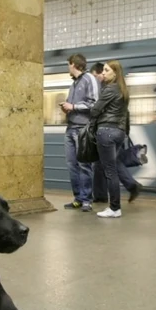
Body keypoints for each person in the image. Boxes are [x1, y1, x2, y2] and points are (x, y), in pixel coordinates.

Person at [90, 60, 141, 218]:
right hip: (118, 132)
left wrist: (96, 112)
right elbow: (126, 115)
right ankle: (130, 187)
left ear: (115, 73)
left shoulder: (110, 89)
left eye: (106, 70)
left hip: (106, 131)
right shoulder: (122, 90)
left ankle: (114, 208)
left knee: (110, 172)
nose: (103, 73)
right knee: (114, 165)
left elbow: (95, 110)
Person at [61, 53, 99, 211]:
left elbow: (94, 103)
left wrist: (74, 107)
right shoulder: (73, 84)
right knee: (72, 165)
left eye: (68, 65)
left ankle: (86, 200)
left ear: (73, 64)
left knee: (84, 165)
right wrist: (67, 109)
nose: (68, 68)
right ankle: (77, 198)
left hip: (83, 129)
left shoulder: (89, 79)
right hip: (70, 128)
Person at [88, 62, 108, 203]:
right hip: (105, 130)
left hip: (104, 131)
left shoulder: (106, 89)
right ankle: (100, 195)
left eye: (95, 76)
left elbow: (96, 109)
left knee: (107, 165)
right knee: (102, 165)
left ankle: (131, 185)